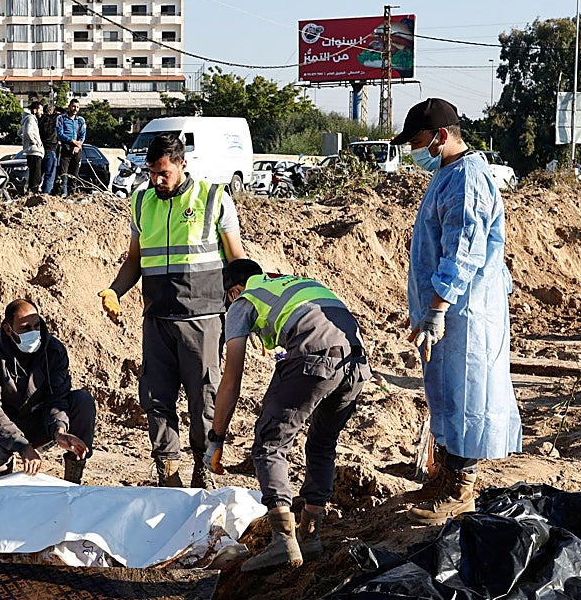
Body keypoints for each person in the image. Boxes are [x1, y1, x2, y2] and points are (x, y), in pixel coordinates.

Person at [392, 98, 522, 522]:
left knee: (465, 395)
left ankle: (461, 490)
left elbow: (462, 253)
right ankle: (446, 478)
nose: (413, 151)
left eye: (417, 141)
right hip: (450, 309)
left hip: (464, 310)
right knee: (446, 393)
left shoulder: (467, 179)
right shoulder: (449, 174)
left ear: (441, 136)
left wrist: (437, 309)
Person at [98, 133, 246, 489]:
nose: (157, 180)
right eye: (151, 172)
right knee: (156, 398)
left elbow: (238, 261)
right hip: (158, 321)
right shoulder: (141, 202)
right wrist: (114, 290)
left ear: (182, 164)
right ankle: (168, 473)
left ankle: (203, 466)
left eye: (163, 172)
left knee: (204, 399)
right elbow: (135, 259)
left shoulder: (213, 199)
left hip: (203, 319)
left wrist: (246, 309)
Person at [206, 259, 371, 571]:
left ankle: (283, 540)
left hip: (313, 356)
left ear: (235, 290)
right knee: (322, 444)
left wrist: (216, 439)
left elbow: (231, 378)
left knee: (270, 444)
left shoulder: (244, 301)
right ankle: (311, 536)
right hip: (357, 363)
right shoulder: (291, 284)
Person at [0, 300, 94, 484]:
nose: (33, 333)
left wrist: (59, 431)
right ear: (8, 329)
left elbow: (57, 398)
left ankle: (74, 477)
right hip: (5, 426)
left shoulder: (53, 350)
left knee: (82, 400)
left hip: (41, 421)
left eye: (36, 325)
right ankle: (5, 477)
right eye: (25, 328)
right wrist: (21, 444)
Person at [55, 99, 87, 197]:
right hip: (65, 147)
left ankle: (72, 194)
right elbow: (59, 133)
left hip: (77, 149)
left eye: (77, 107)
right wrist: (72, 141)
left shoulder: (80, 120)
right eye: (73, 106)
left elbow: (83, 135)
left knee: (74, 174)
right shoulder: (61, 118)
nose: (75, 109)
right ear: (69, 106)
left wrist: (78, 145)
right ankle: (61, 194)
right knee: (63, 173)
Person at [19, 100, 44, 194]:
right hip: (35, 151)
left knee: (33, 173)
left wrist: (25, 141)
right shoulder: (31, 119)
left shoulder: (26, 119)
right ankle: (34, 192)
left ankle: (32, 191)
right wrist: (35, 142)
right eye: (40, 110)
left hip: (31, 150)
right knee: (36, 174)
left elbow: (20, 133)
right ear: (35, 110)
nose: (42, 112)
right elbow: (27, 132)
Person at [39, 103, 60, 195]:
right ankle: (45, 194)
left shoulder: (40, 120)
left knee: (40, 174)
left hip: (40, 149)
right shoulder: (54, 120)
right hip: (51, 149)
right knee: (50, 174)